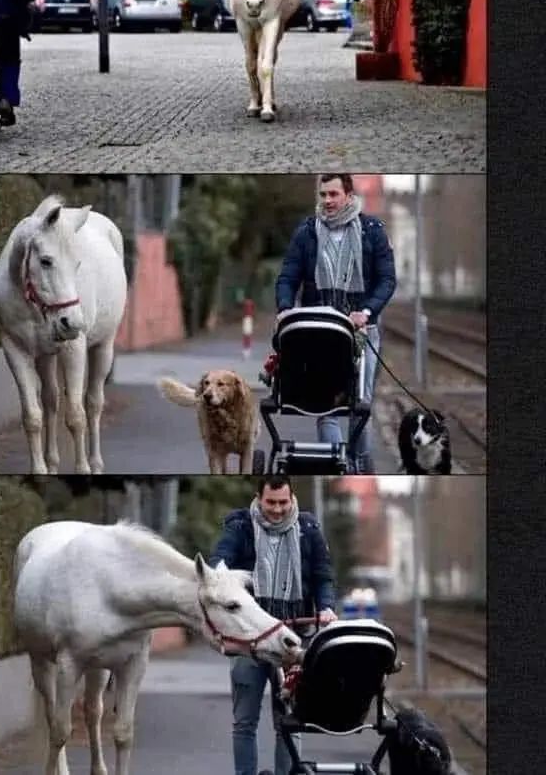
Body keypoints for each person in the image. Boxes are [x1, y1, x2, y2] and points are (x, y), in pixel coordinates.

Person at [210, 476, 337, 775]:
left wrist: (327, 607)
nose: (277, 510)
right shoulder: (240, 527)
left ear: (292, 499)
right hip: (250, 644)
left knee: (290, 723)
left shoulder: (308, 530)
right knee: (244, 722)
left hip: (293, 641)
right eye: (271, 503)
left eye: (283, 502)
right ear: (259, 498)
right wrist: (219, 572)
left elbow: (323, 576)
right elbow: (220, 560)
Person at [275, 173, 397, 474]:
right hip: (320, 330)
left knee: (360, 402)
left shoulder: (372, 231)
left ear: (348, 195)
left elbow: (386, 279)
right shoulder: (307, 232)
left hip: (360, 331)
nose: (327, 201)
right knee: (326, 402)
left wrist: (366, 311)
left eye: (333, 195)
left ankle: (360, 464)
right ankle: (336, 463)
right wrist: (285, 308)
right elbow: (288, 275)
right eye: (323, 195)